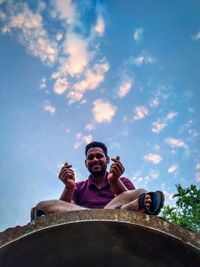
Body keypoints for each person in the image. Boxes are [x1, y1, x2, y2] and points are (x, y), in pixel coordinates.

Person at [31, 141, 164, 220]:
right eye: (91, 157)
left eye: (99, 156)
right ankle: (114, 212)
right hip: (84, 225)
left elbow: (132, 197)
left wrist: (114, 181)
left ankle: (112, 212)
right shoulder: (78, 187)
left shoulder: (122, 180)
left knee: (139, 192)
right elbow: (63, 211)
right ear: (86, 162)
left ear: (107, 159)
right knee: (43, 206)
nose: (95, 159)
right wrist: (68, 187)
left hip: (119, 225)